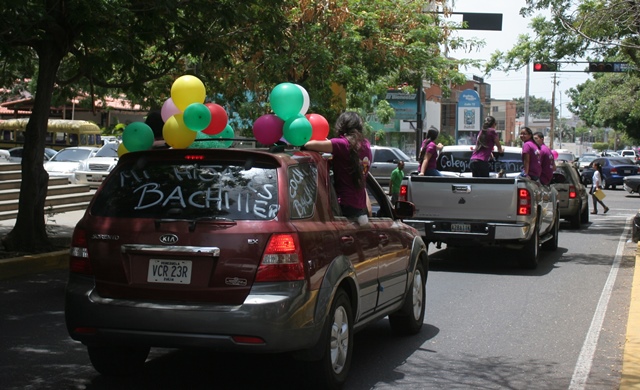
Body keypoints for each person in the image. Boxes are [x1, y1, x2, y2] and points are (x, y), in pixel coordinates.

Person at [303, 111, 372, 223]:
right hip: (359, 206)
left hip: (343, 205)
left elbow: (308, 145)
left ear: (342, 126)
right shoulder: (366, 145)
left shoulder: (342, 145)